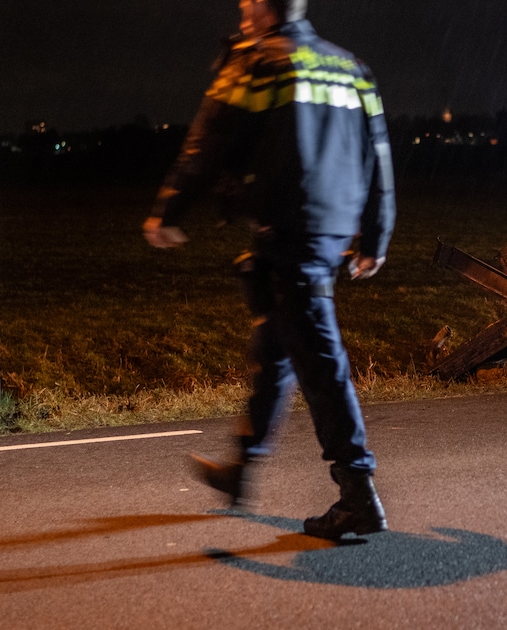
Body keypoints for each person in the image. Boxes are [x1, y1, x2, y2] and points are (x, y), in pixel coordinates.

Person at [143, 0, 396, 540]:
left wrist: (169, 209)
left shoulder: (259, 64)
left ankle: (358, 495)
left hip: (290, 231)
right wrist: (375, 233)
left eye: (246, 2)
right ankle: (242, 467)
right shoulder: (349, 67)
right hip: (328, 231)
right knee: (276, 349)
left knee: (321, 364)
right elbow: (378, 154)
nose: (240, 9)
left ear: (263, 7)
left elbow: (208, 140)